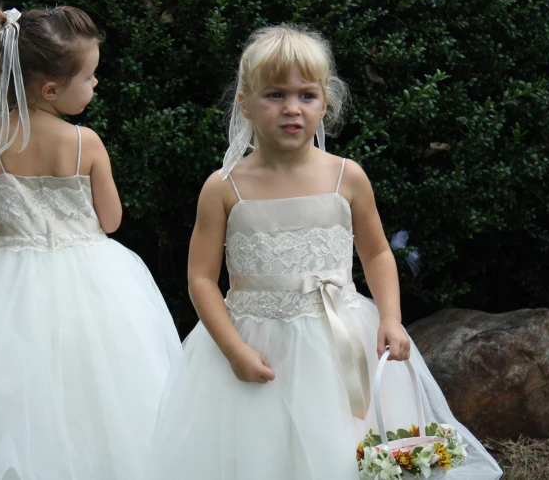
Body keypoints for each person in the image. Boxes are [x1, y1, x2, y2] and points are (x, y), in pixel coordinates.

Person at [147, 24, 502, 479]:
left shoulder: (346, 177)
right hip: (255, 344)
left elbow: (376, 254)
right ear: (245, 103)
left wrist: (391, 318)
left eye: (306, 95)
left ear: (325, 102)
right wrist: (233, 349)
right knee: (261, 451)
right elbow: (200, 277)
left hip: (338, 343)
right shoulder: (223, 187)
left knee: (341, 443)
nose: (291, 109)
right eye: (275, 95)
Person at [0, 6, 181, 480]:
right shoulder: (85, 143)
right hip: (92, 276)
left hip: (5, 280)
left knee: (15, 384)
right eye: (90, 76)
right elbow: (111, 220)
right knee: (99, 382)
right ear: (51, 89)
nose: (96, 84)